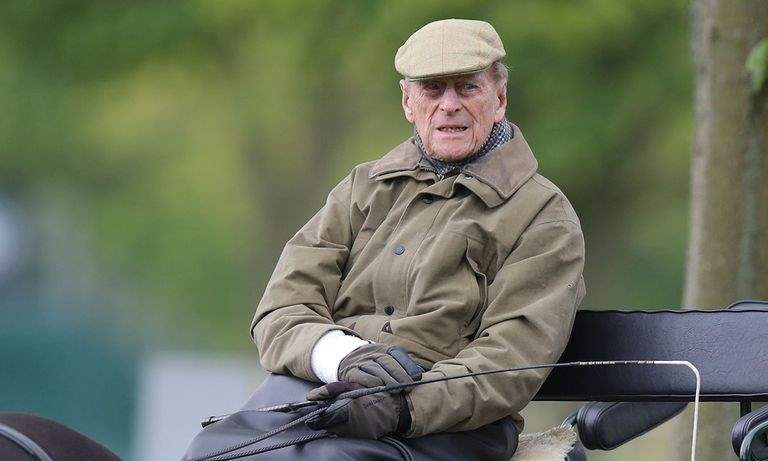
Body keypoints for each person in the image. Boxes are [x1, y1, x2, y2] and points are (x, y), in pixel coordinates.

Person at [185, 18, 586, 461]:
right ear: (408, 102)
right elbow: (282, 306)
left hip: (448, 424)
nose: (449, 105)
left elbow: (510, 360)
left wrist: (400, 406)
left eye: (467, 88)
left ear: (500, 98)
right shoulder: (363, 187)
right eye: (432, 90)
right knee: (209, 451)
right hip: (322, 393)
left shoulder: (543, 216)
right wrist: (340, 356)